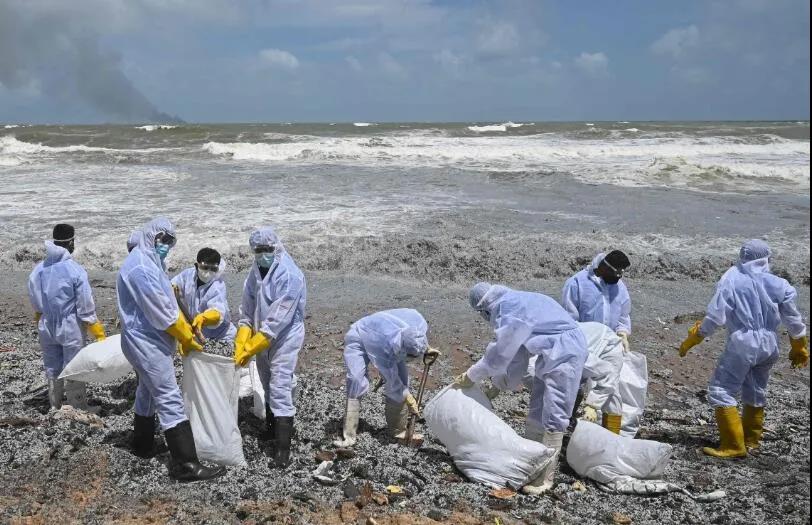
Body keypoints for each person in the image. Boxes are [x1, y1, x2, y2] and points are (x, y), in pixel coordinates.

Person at [453, 282, 588, 495]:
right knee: (537, 407)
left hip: (566, 352)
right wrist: (497, 386)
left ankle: (545, 478)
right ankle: (529, 462)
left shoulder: (509, 310)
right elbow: (517, 359)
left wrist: (471, 375)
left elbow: (498, 355)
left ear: (484, 308)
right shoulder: (515, 301)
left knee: (555, 411)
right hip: (552, 352)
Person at [117, 218, 224, 481]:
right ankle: (186, 464)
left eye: (170, 241)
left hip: (146, 340)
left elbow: (168, 301)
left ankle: (141, 445)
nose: (165, 245)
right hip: (146, 342)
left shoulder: (150, 262)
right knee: (168, 396)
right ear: (150, 237)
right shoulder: (141, 267)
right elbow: (164, 315)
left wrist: (188, 326)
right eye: (162, 239)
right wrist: (187, 337)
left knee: (147, 391)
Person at [679, 239, 808, 458]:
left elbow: (716, 317)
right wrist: (799, 345)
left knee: (721, 390)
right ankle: (751, 441)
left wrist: (695, 337)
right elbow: (794, 319)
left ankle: (733, 445)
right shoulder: (780, 284)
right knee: (756, 390)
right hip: (770, 344)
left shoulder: (732, 280)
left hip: (743, 342)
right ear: (766, 259)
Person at [233, 227, 306, 468]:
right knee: (265, 382)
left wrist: (252, 347)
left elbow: (278, 320)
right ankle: (271, 429)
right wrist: (244, 334)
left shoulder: (290, 275)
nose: (263, 253)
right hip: (260, 335)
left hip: (285, 337)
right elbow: (247, 305)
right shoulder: (255, 272)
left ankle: (283, 450)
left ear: (276, 248)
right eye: (258, 250)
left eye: (267, 249)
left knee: (280, 385)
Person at [491, 321, 625, 433]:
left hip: (607, 343)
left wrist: (593, 405)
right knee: (564, 389)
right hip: (581, 341)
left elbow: (608, 374)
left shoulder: (569, 358)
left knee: (611, 397)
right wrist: (497, 385)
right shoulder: (532, 362)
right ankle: (571, 423)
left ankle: (614, 437)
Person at [27, 224, 106, 412]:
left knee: (52, 365)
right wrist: (98, 332)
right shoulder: (75, 270)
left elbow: (35, 299)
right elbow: (85, 306)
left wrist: (41, 316)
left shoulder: (39, 269)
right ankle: (78, 407)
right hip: (70, 325)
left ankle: (55, 404)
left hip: (46, 324)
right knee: (74, 365)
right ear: (71, 241)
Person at [334, 309, 440, 447]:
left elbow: (416, 337)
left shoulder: (418, 322)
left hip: (386, 336)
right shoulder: (383, 348)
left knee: (403, 380)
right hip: (360, 337)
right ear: (401, 348)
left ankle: (397, 431)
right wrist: (408, 398)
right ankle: (349, 434)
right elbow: (392, 379)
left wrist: (426, 348)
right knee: (356, 380)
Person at [562, 250, 632, 353]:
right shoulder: (577, 283)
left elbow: (623, 317)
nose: (619, 278)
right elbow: (569, 320)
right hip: (584, 346)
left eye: (621, 274)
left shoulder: (619, 287)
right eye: (616, 273)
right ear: (605, 267)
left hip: (610, 346)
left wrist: (622, 334)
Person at [171, 247, 237, 344]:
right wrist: (172, 288)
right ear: (196, 265)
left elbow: (217, 311)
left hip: (222, 337)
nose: (208, 272)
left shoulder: (217, 285)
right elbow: (172, 286)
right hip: (197, 335)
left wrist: (204, 318)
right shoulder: (188, 275)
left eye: (213, 268)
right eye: (205, 267)